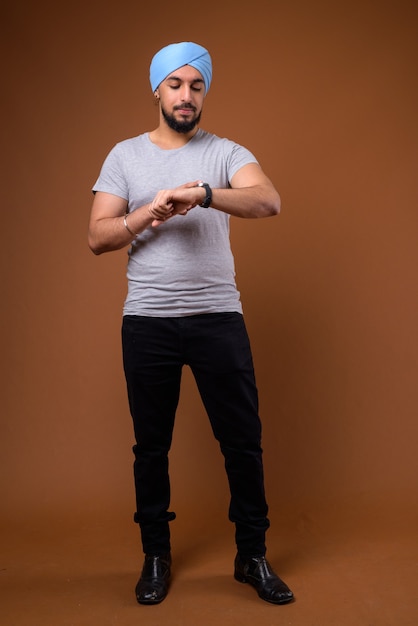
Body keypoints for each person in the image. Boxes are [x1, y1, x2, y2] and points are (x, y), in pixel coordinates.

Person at [88, 41, 293, 606]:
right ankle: (155, 555)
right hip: (148, 321)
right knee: (150, 447)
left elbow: (268, 201)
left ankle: (252, 556)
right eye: (175, 84)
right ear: (156, 89)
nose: (186, 95)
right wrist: (148, 212)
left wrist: (202, 193)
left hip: (217, 318)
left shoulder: (225, 152)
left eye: (196, 86)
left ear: (205, 92)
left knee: (243, 444)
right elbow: (97, 237)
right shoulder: (125, 156)